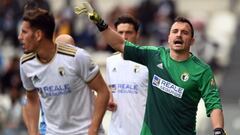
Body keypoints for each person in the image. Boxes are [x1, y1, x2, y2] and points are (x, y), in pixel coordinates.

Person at [75, 2, 226, 135]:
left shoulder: (201, 70)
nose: (179, 35)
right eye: (175, 31)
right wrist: (99, 21)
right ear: (168, 37)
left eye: (184, 32)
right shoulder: (155, 56)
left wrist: (218, 130)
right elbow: (119, 44)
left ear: (192, 40)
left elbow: (213, 104)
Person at [18, 5, 109, 135]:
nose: (19, 37)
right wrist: (33, 132)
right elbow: (31, 99)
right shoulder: (26, 63)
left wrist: (93, 129)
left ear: (38, 35)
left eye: (24, 32)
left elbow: (103, 91)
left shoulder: (77, 57)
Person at [106, 15, 148, 135]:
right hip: (116, 130)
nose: (124, 37)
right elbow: (109, 90)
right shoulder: (110, 61)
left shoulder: (147, 61)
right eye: (120, 32)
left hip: (141, 130)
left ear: (137, 34)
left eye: (129, 32)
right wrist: (108, 101)